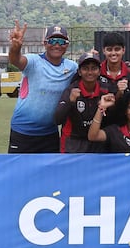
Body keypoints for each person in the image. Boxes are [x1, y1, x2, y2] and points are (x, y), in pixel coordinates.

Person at [7, 21, 78, 153]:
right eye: (53, 41)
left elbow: (89, 74)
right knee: (20, 172)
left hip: (50, 134)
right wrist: (15, 47)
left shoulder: (72, 67)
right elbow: (15, 60)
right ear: (45, 43)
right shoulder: (34, 61)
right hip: (23, 131)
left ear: (67, 46)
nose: (57, 45)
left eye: (62, 42)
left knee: (49, 173)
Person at [54, 51, 111, 153]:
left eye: (94, 68)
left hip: (96, 141)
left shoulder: (106, 90)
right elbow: (57, 119)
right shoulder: (71, 90)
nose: (90, 72)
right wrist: (70, 102)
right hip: (73, 141)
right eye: (85, 69)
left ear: (99, 71)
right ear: (79, 72)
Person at [99, 31, 130, 102]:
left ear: (123, 50)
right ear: (103, 51)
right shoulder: (97, 72)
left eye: (117, 49)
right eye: (109, 49)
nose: (113, 53)